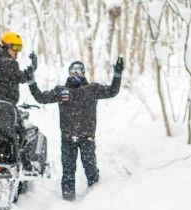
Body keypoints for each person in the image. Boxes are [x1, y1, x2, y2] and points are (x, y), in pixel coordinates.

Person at [26, 57, 124, 200]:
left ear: (83, 73)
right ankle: (67, 200)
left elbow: (112, 91)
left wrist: (117, 74)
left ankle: (96, 198)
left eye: (79, 70)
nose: (76, 73)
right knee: (68, 172)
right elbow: (41, 98)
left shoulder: (92, 89)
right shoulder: (62, 91)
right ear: (69, 73)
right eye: (73, 70)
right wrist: (31, 82)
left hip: (87, 138)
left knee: (91, 170)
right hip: (68, 139)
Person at [0, 31, 36, 104]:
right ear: (6, 46)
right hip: (6, 107)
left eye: (19, 48)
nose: (17, 51)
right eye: (14, 47)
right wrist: (33, 67)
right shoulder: (9, 63)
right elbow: (22, 78)